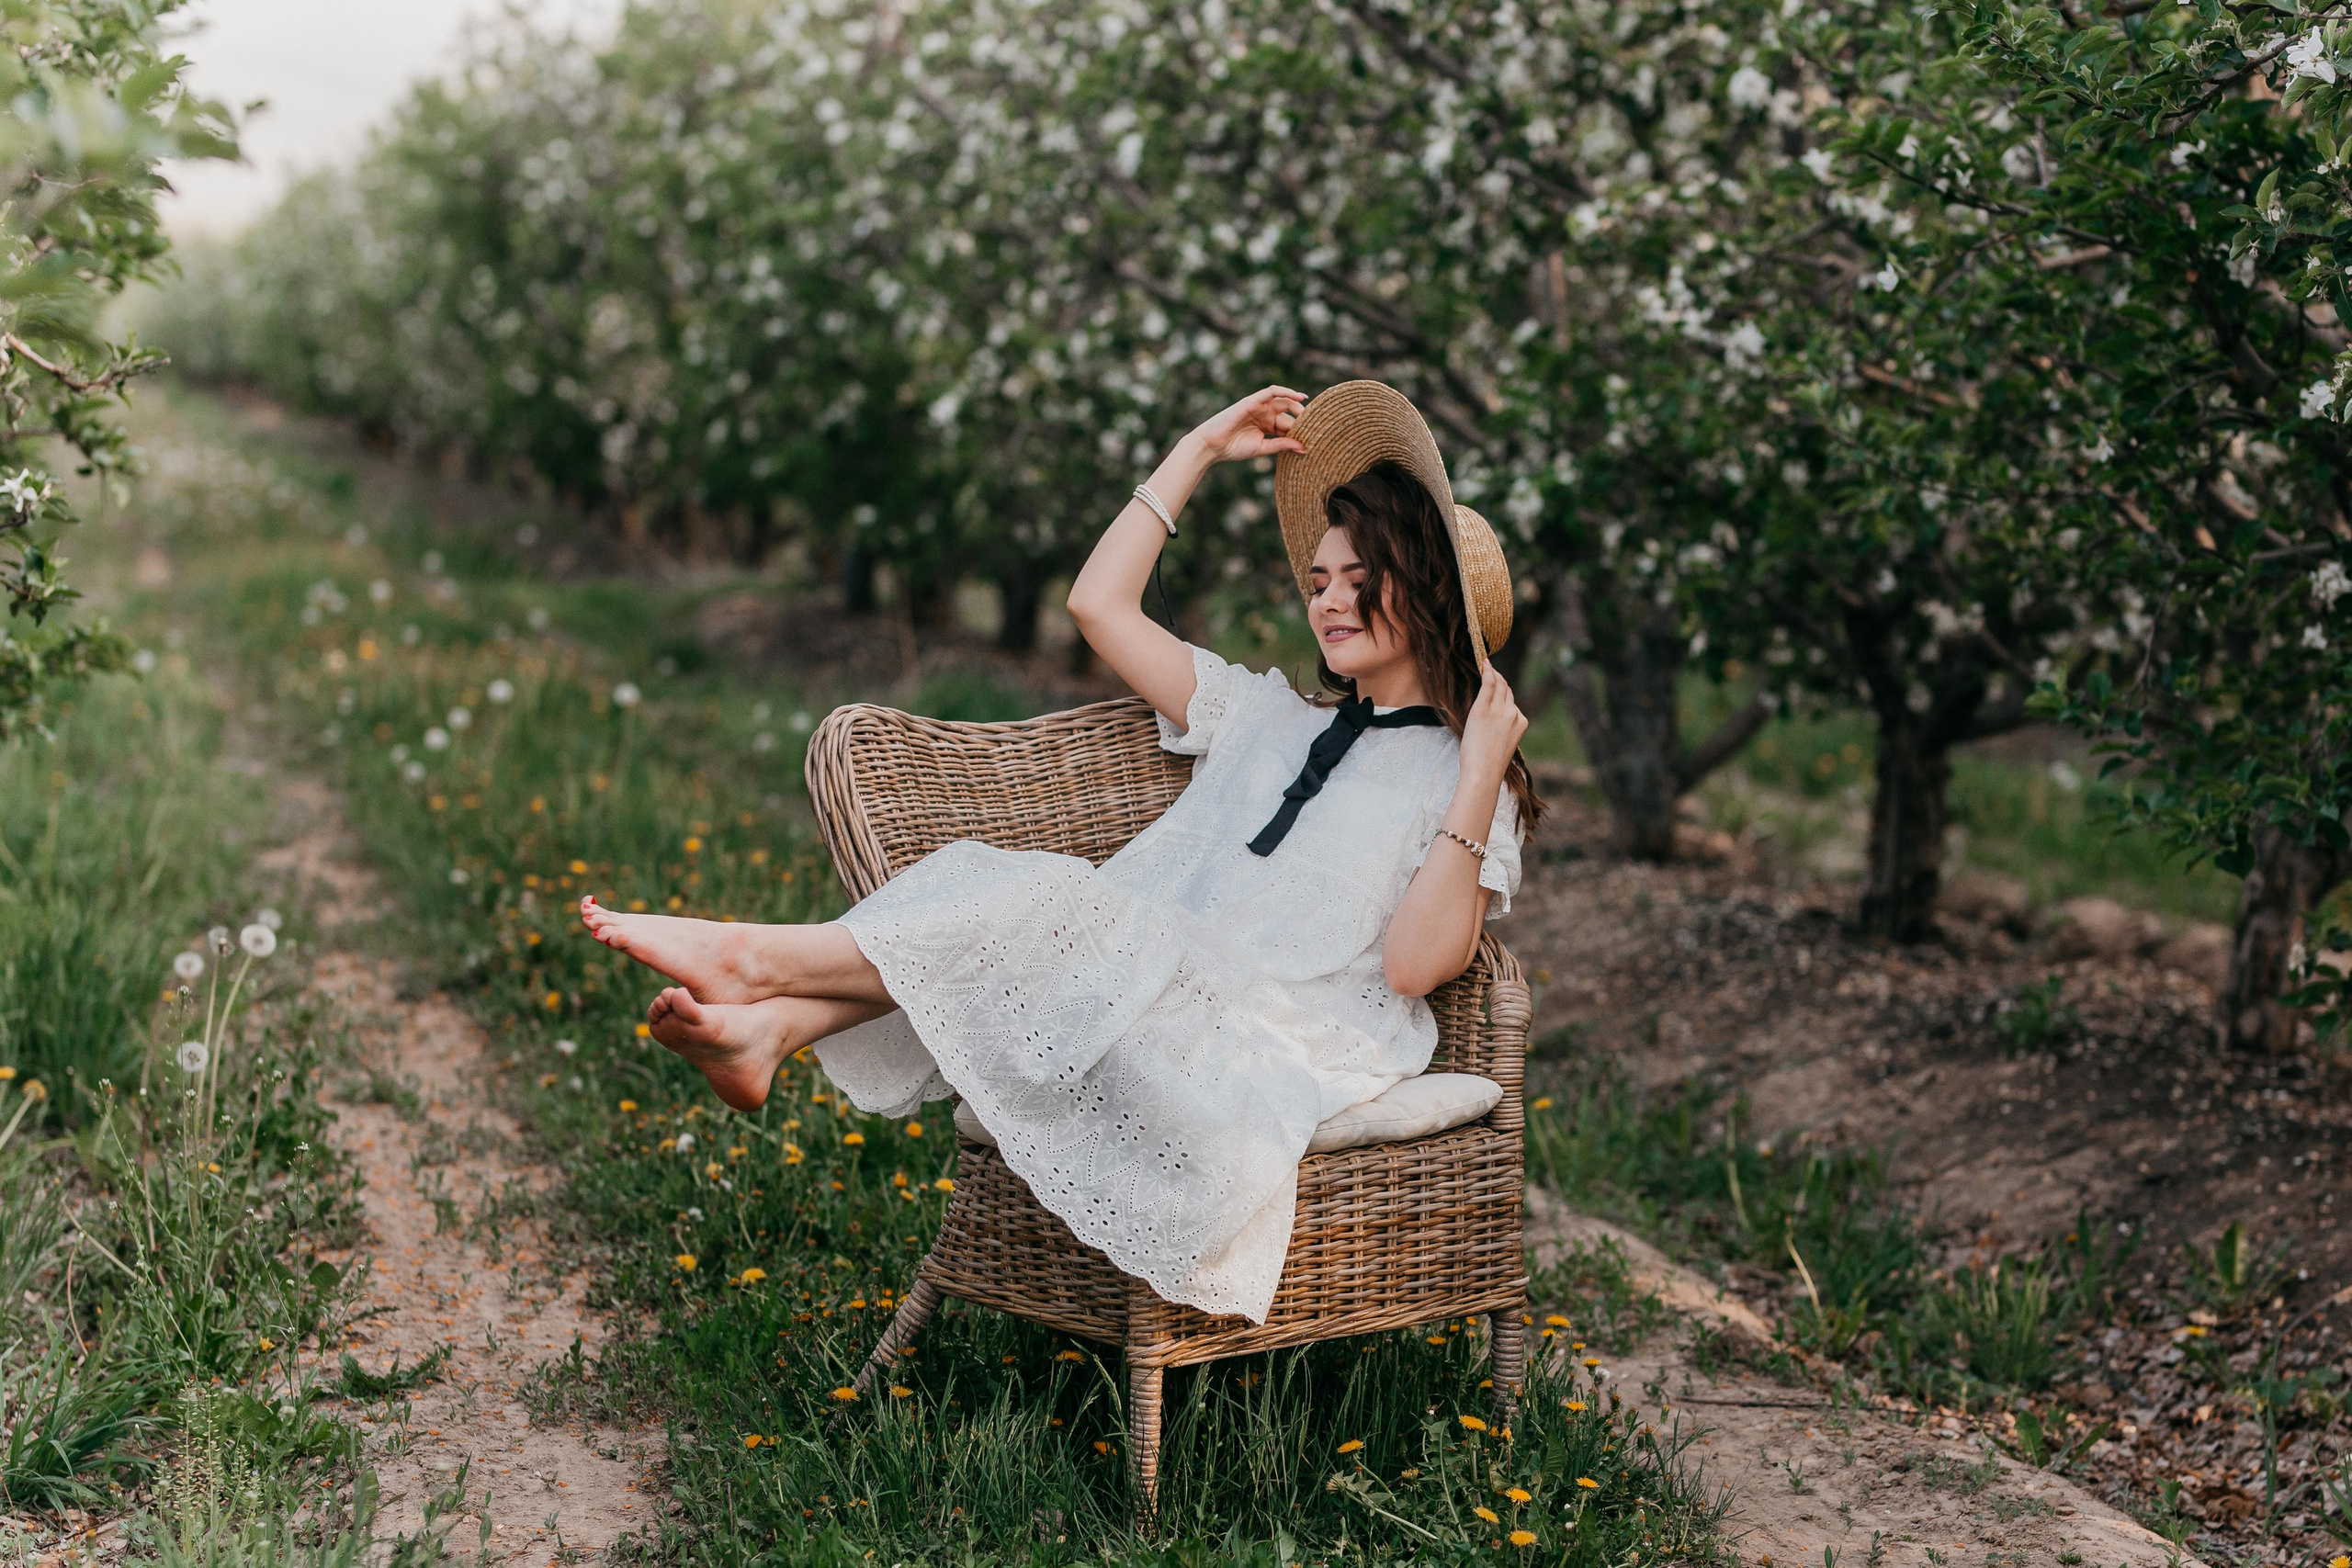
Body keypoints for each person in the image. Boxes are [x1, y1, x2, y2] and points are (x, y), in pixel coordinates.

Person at [577, 380, 1542, 1324]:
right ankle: (769, 1030)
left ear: (1423, 596)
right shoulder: (1262, 714)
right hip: (1128, 981)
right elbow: (1098, 607)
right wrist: (1200, 449)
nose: (1326, 603)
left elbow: (1416, 965)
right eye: (1316, 582)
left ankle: (754, 964)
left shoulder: (1461, 782)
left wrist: (1475, 770)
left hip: (1267, 1042)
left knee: (1060, 902)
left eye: (1357, 583)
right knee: (1049, 903)